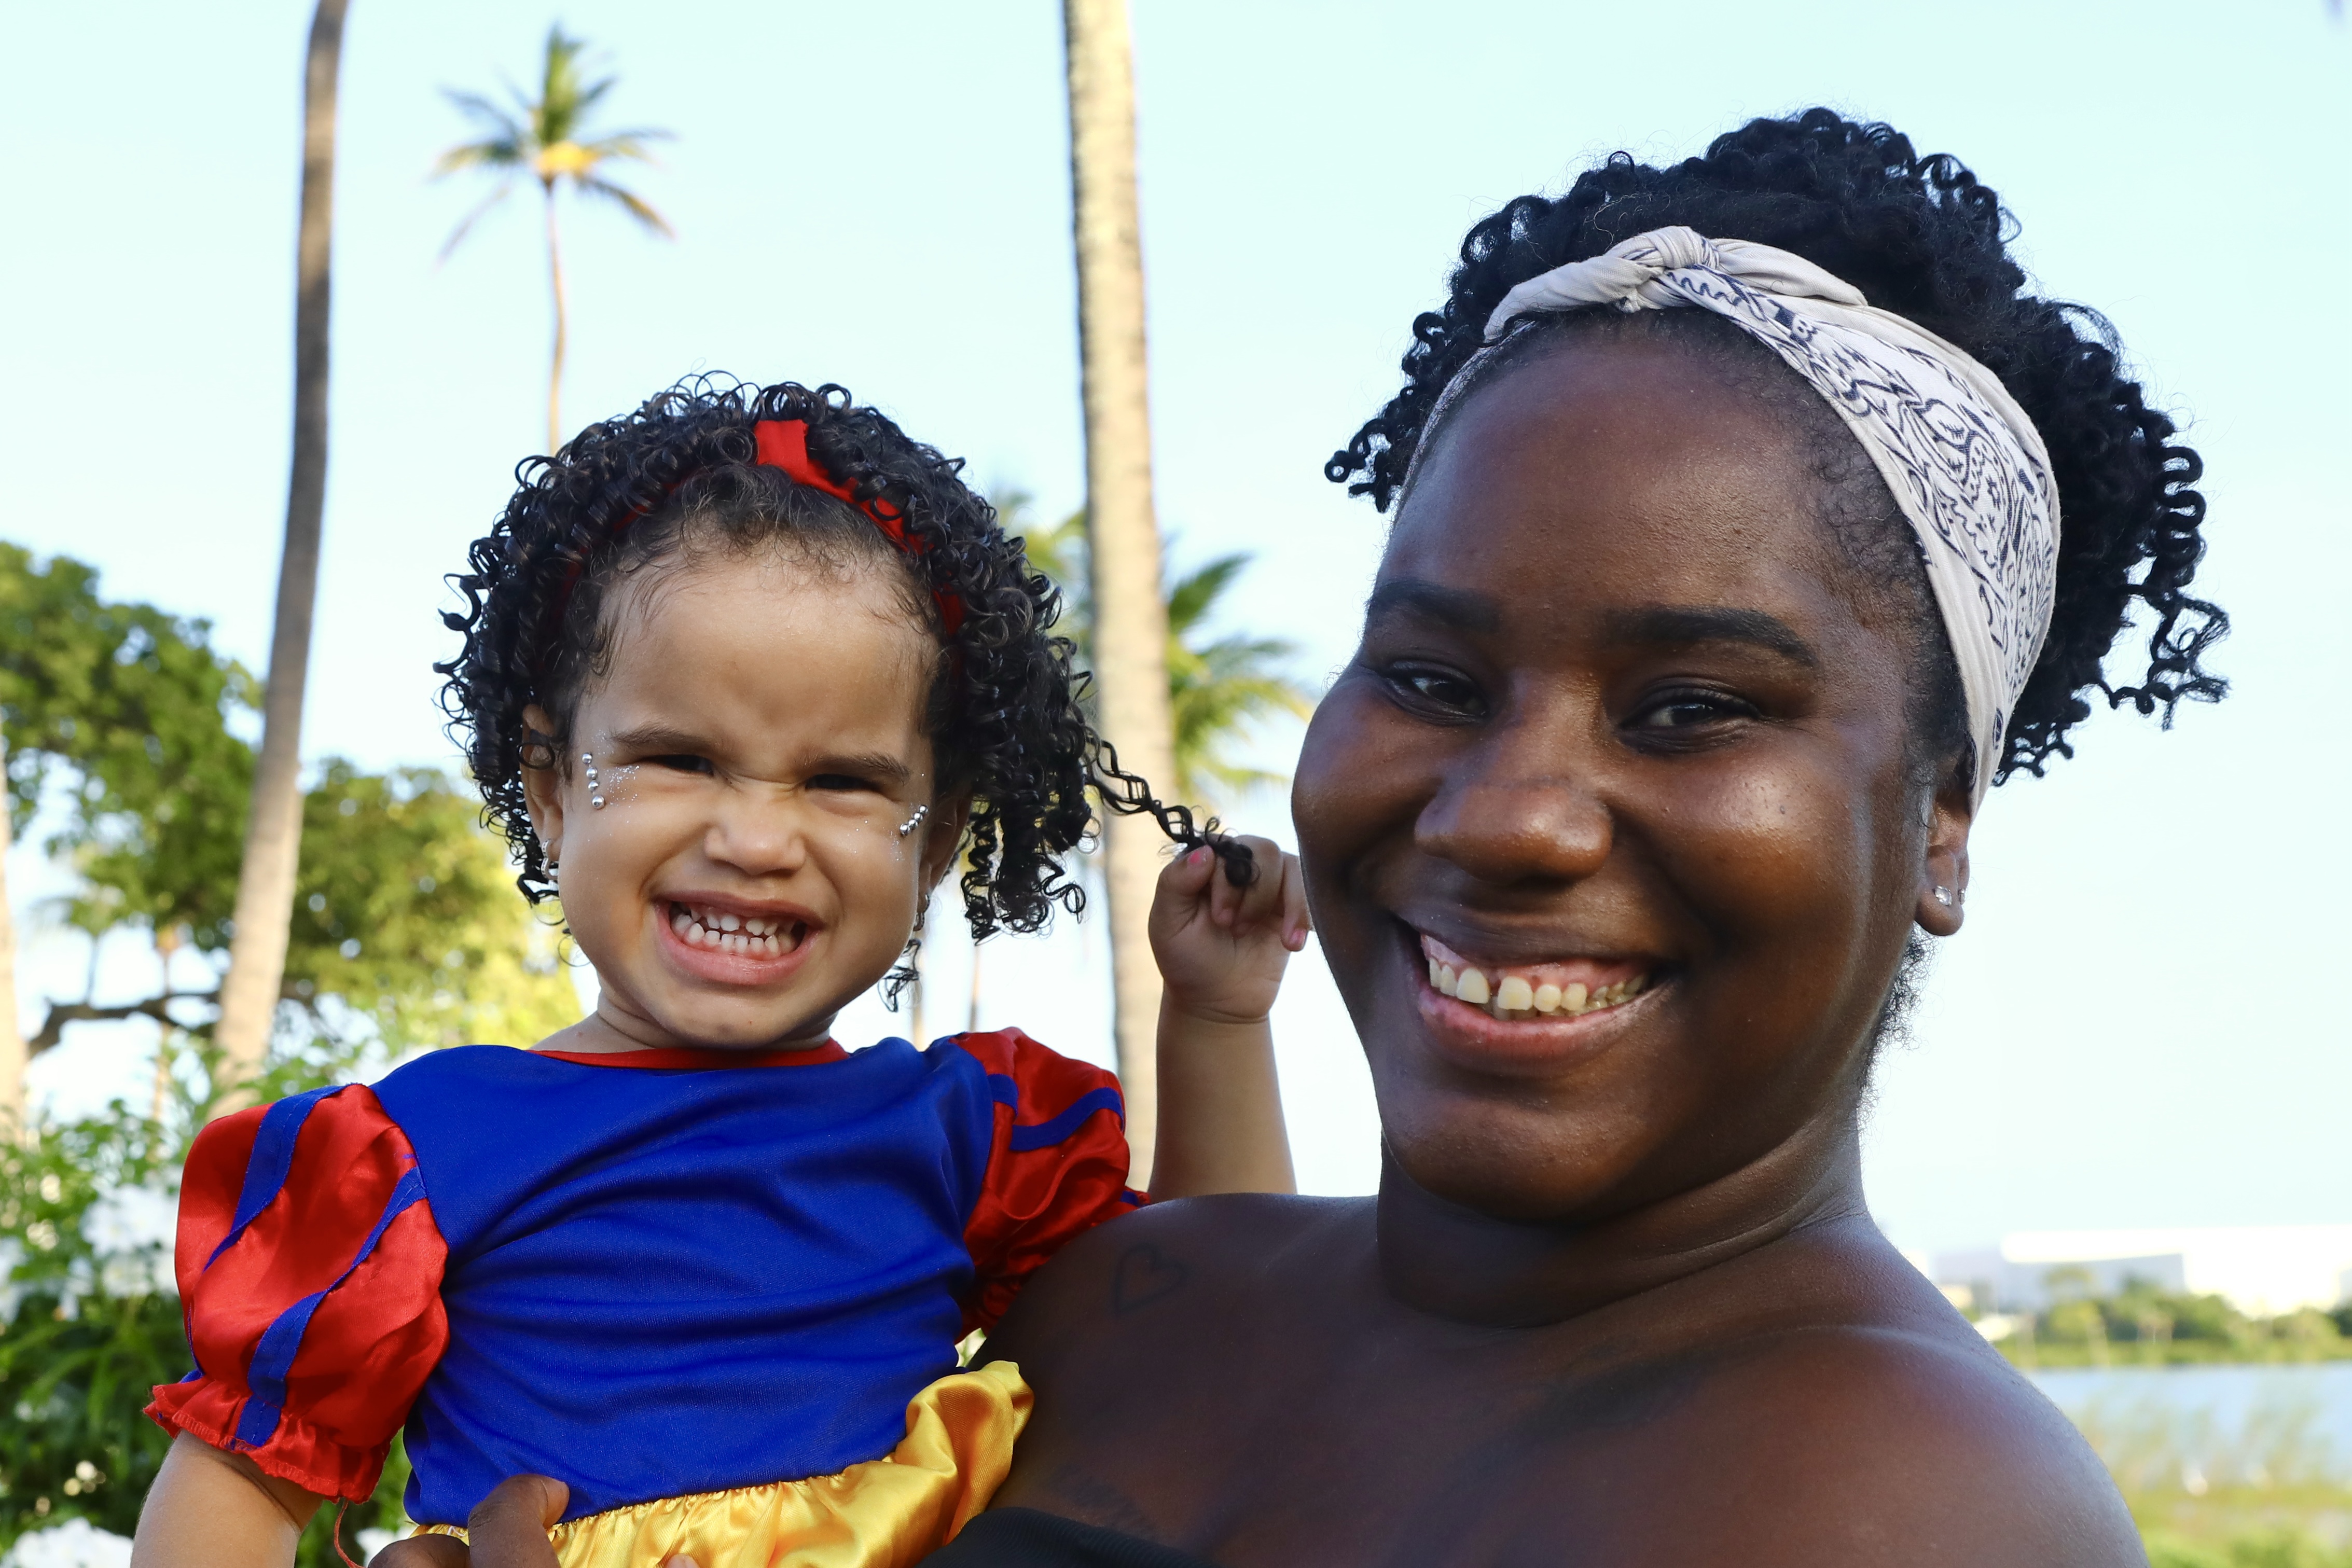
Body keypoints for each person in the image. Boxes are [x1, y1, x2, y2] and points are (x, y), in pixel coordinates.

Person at [383, 109, 2225, 1567]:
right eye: (1428, 673)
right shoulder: (1121, 1301)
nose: (1504, 810)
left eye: (1689, 708)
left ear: (1941, 823)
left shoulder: (1896, 1505)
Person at [129, 380, 1307, 1568]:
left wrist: (1214, 1016)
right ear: (548, 787)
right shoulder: (418, 1151)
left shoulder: (972, 1135)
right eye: (678, 759)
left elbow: (1209, 1318)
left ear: (937, 836)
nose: (753, 840)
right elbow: (242, 1484)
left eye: (841, 781)